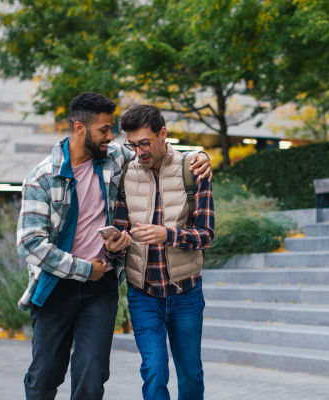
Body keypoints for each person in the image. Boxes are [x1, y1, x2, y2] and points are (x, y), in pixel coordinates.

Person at [16, 93, 212, 400]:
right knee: (44, 376)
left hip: (101, 288)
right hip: (57, 286)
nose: (112, 137)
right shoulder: (41, 178)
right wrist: (83, 269)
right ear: (80, 128)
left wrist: (202, 155)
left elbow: (163, 151)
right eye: (105, 130)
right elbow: (29, 244)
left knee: (92, 377)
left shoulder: (114, 158)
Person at [113, 104, 215, 400]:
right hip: (143, 293)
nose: (139, 151)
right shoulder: (125, 175)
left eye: (145, 142)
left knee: (190, 373)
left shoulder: (192, 169)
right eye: (132, 144)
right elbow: (122, 230)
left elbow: (206, 236)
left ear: (163, 134)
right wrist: (114, 244)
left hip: (185, 293)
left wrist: (166, 235)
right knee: (154, 370)